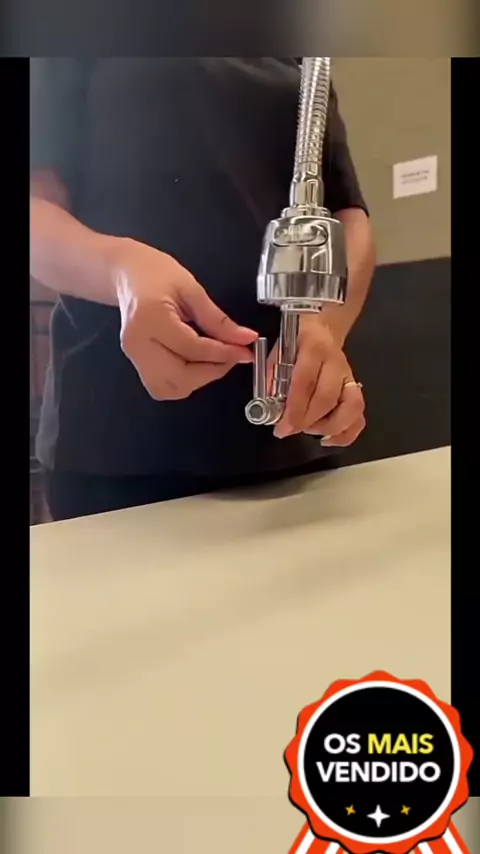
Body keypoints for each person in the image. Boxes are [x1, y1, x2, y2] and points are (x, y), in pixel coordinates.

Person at [30, 58, 375, 521]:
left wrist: (326, 327)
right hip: (119, 440)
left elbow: (346, 216)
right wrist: (122, 270)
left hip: (293, 433)